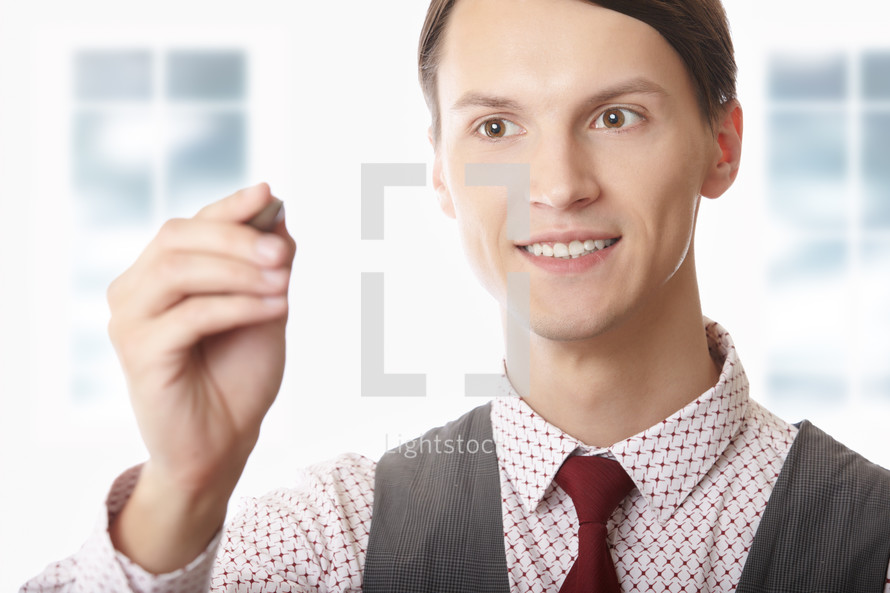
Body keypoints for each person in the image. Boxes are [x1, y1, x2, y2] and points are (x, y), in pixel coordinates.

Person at [21, 0, 890, 591]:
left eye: (616, 116)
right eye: (498, 127)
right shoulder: (333, 542)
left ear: (721, 146)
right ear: (442, 173)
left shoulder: (874, 545)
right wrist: (183, 486)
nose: (556, 185)